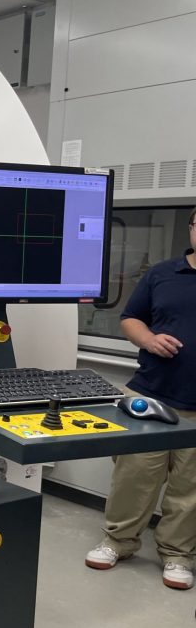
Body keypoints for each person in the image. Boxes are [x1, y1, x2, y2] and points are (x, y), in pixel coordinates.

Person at [85, 207, 196, 590]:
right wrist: (148, 339)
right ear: (192, 229)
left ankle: (178, 555)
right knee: (134, 477)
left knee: (190, 488)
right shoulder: (162, 274)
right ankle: (118, 541)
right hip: (150, 396)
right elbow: (130, 318)